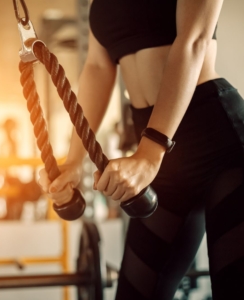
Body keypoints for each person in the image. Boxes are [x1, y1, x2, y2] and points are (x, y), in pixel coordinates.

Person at [39, 0, 244, 299]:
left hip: (217, 142)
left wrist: (151, 152)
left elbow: (192, 43)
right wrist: (74, 160)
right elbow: (97, 67)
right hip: (158, 155)